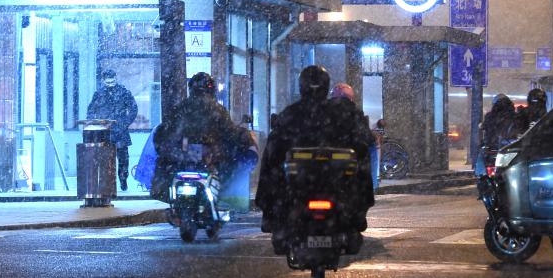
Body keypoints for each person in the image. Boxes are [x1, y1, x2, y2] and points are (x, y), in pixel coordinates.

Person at [255, 66, 375, 248]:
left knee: (270, 158)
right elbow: (361, 143)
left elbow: (274, 152)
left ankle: (269, 215)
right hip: (330, 182)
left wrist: (270, 204)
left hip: (305, 184)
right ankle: (358, 215)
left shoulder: (292, 113)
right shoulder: (341, 115)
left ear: (301, 86)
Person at [149, 72, 258, 202]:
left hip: (185, 160)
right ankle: (226, 200)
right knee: (232, 169)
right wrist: (242, 139)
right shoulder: (217, 110)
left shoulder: (180, 109)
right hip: (202, 161)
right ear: (211, 90)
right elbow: (230, 133)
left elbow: (166, 132)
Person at [85, 68, 138, 191]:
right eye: (108, 83)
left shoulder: (124, 92)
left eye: (112, 82)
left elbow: (133, 108)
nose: (110, 85)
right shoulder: (99, 94)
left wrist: (124, 123)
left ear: (116, 79)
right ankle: (107, 182)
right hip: (104, 131)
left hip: (120, 130)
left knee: (123, 158)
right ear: (103, 81)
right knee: (105, 159)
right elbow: (91, 110)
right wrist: (93, 124)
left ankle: (123, 179)